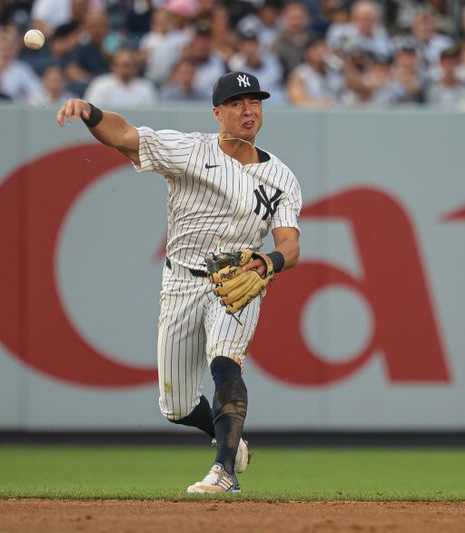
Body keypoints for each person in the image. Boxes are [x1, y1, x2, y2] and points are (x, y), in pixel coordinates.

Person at [55, 71, 302, 493]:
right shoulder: (190, 150)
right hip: (181, 282)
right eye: (238, 103)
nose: (248, 110)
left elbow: (291, 245)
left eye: (255, 102)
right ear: (217, 112)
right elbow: (126, 136)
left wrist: (267, 262)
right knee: (176, 405)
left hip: (235, 280)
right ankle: (231, 438)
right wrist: (91, 112)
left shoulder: (281, 177)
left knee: (225, 362)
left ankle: (224, 470)